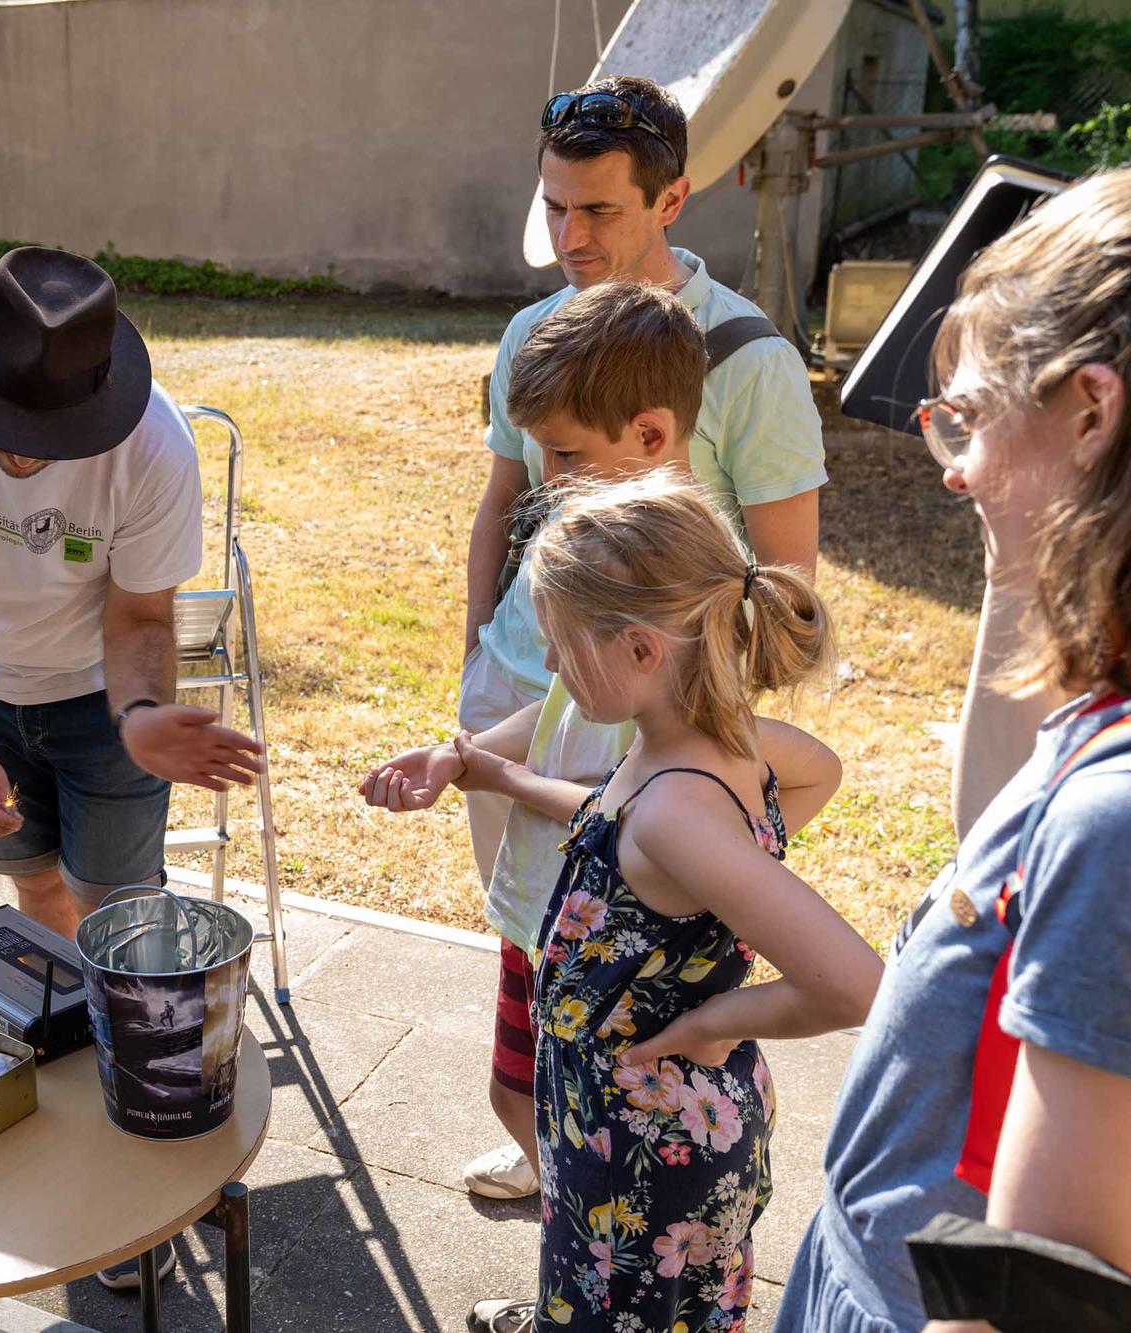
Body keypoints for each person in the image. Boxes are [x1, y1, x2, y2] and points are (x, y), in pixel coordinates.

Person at [0, 244, 264, 1288]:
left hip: (97, 699)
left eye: (48, 441)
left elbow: (137, 614)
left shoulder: (154, 445)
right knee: (34, 888)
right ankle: (75, 1120)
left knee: (121, 913)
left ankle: (133, 1188)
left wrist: (136, 717)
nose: (23, 459)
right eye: (6, 438)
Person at [455, 73, 828, 1203]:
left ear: (670, 202)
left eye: (598, 210)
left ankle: (615, 1169)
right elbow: (499, 505)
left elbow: (785, 575)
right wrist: (478, 655)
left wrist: (685, 748)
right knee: (530, 944)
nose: (567, 238)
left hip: (645, 726)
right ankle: (549, 1147)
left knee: (629, 981)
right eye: (552, 208)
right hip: (524, 696)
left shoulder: (747, 360)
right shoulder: (534, 329)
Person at [391, 471, 877, 1332]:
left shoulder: (677, 809)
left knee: (629, 1310)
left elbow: (857, 985)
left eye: (560, 642)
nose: (546, 664)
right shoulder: (708, 747)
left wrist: (710, 1021)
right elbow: (817, 771)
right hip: (633, 1123)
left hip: (644, 1148)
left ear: (643, 649)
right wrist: (719, 890)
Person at [775, 168, 1131, 1332]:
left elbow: (1032, 1294)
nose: (949, 463)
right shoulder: (1105, 712)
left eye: (968, 417)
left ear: (1089, 410)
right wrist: (1017, 554)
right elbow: (991, 845)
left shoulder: (1117, 819)